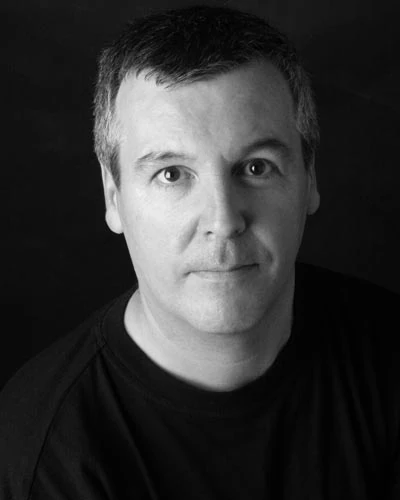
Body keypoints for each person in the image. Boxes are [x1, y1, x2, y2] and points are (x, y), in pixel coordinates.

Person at [0, 5, 399, 499]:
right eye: (171, 174)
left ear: (309, 177)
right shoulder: (39, 455)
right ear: (113, 196)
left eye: (256, 167)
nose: (223, 221)